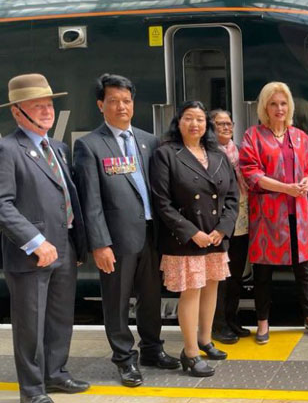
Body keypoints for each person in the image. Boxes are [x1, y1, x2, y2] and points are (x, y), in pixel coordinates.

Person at [73, 74, 179, 387]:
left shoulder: (149, 141)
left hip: (150, 234)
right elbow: (90, 200)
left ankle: (152, 349)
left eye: (127, 100)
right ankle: (124, 359)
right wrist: (99, 244)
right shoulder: (89, 145)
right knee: (117, 301)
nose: (122, 106)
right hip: (116, 239)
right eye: (114, 101)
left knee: (151, 297)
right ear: (100, 105)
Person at [0, 74, 90, 403]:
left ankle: (56, 374)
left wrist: (76, 242)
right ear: (17, 112)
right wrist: (36, 241)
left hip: (64, 246)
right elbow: (2, 204)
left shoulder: (58, 148)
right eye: (37, 106)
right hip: (31, 253)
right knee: (31, 325)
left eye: (49, 104)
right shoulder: (7, 149)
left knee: (60, 317)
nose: (47, 111)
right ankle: (32, 390)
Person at [150, 101, 238, 377]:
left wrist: (223, 229)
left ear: (206, 125)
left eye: (200, 119)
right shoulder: (166, 154)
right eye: (188, 118)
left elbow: (232, 197)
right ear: (178, 123)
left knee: (211, 288)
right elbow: (162, 202)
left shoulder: (218, 154)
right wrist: (191, 233)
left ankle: (205, 340)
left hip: (214, 236)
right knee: (191, 292)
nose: (194, 124)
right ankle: (190, 353)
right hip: (185, 239)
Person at [238, 81, 308, 344]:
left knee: (303, 269)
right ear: (265, 107)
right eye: (273, 104)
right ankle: (262, 323)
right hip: (267, 215)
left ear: (290, 106)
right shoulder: (253, 136)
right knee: (263, 272)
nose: (279, 108)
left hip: (297, 213)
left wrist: (307, 181)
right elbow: (251, 173)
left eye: (283, 103)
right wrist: (285, 188)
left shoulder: (300, 137)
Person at [209, 109, 252, 344]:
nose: (226, 127)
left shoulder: (239, 152)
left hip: (242, 219)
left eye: (228, 123)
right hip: (220, 223)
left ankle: (231, 318)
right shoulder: (208, 153)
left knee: (235, 274)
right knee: (220, 276)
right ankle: (218, 324)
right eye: (220, 124)